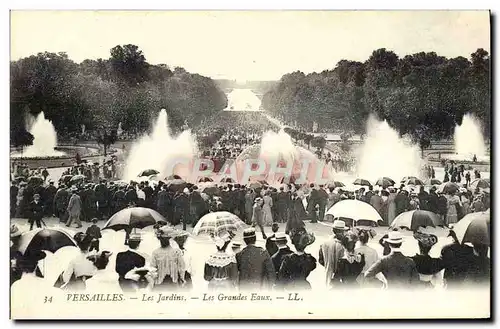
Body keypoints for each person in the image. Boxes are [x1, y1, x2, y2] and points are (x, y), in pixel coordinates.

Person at [318, 220, 348, 288]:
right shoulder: (344, 246)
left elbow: (321, 260)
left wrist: (328, 264)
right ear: (342, 232)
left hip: (328, 274)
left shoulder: (324, 243)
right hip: (340, 277)